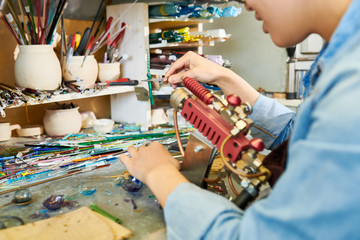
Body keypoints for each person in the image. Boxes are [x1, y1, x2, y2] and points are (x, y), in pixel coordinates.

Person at [119, 0, 360, 238]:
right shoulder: (343, 54)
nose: (243, 3)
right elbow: (299, 136)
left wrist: (159, 173)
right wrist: (225, 78)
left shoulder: (352, 86)